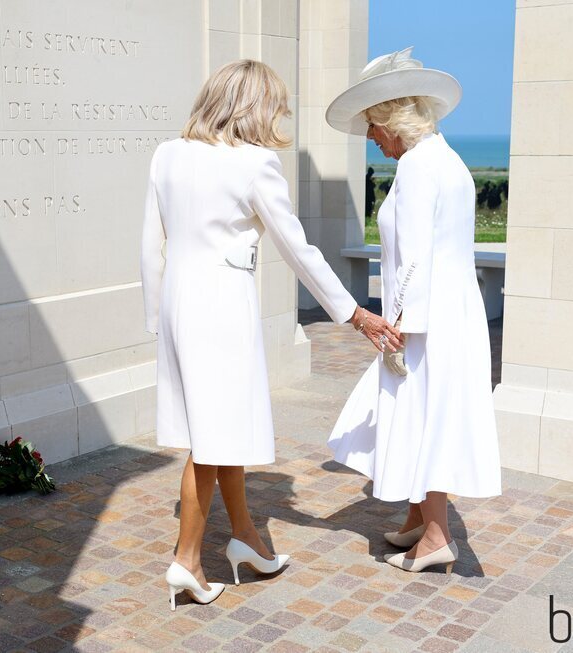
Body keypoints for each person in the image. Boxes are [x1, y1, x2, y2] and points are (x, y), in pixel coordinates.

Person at [140, 59, 402, 609]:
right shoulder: (256, 164)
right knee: (210, 443)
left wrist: (156, 321)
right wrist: (353, 312)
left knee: (219, 428)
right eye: (275, 105)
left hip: (177, 306)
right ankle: (187, 561)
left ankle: (249, 540)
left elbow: (151, 246)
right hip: (222, 309)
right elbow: (297, 249)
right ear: (255, 107)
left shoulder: (167, 154)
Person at [325, 47, 502, 574]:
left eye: (371, 128)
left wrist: (398, 325)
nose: (370, 138)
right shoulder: (442, 159)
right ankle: (418, 519)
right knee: (423, 415)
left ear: (390, 119)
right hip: (448, 312)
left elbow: (416, 257)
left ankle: (437, 537)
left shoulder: (422, 167)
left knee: (428, 418)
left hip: (428, 319)